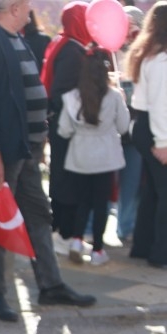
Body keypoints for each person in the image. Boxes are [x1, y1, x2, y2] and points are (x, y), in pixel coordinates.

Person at [0, 0, 97, 322]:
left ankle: (51, 285)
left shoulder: (13, 35)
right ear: (15, 7)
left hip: (26, 149)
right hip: (3, 153)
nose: (30, 9)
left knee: (38, 216)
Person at [57, 47, 130, 266]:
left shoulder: (71, 97)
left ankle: (77, 239)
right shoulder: (115, 96)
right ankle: (98, 250)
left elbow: (63, 130)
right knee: (101, 204)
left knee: (83, 201)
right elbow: (124, 127)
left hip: (80, 156)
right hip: (106, 156)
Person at [40, 2, 94, 255]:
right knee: (67, 179)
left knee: (61, 177)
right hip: (68, 128)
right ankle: (63, 233)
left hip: (61, 126)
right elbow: (62, 91)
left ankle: (61, 231)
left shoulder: (63, 43)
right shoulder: (73, 51)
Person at [127, 1, 167, 269]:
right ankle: (160, 253)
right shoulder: (162, 59)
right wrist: (163, 143)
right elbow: (161, 104)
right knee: (163, 192)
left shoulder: (146, 53)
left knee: (153, 190)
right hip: (156, 130)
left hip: (144, 126)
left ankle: (143, 246)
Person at [116, 5, 146, 243]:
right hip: (110, 130)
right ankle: (90, 227)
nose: (128, 32)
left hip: (135, 130)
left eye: (132, 26)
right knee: (107, 184)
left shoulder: (145, 55)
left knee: (132, 182)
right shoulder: (108, 51)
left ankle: (125, 228)